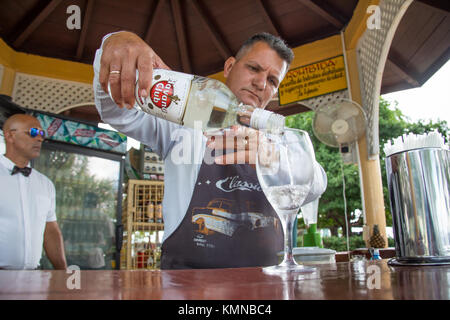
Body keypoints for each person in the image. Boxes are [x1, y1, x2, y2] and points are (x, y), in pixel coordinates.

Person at [93, 31, 327, 269]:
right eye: (254, 68)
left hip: (268, 286)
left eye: (272, 81)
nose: (260, 84)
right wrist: (115, 42)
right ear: (229, 66)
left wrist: (272, 157)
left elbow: (316, 185)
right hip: (185, 287)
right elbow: (117, 113)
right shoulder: (182, 122)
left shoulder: (278, 140)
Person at [0, 114, 67, 270]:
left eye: (41, 134)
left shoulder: (45, 184)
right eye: (33, 133)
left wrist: (64, 272)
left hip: (32, 279)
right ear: (10, 135)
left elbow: (50, 231)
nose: (39, 139)